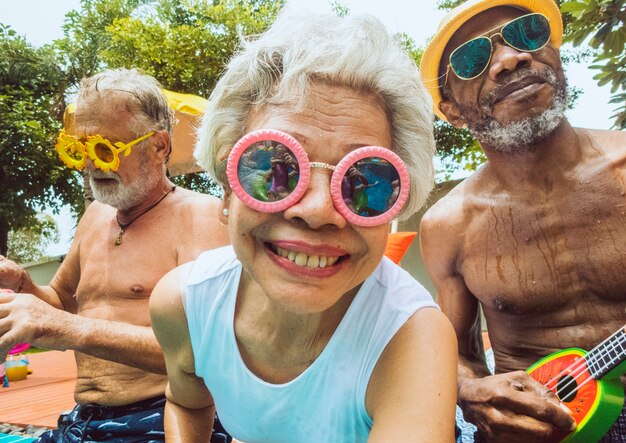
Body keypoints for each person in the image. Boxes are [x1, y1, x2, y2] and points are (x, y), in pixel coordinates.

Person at [149, 11, 458, 443]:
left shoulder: (409, 337)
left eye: (365, 182)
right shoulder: (185, 303)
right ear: (225, 192)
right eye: (273, 169)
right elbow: (185, 402)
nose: (317, 211)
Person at [418, 0, 626, 441]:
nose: (511, 58)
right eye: (473, 59)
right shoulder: (449, 225)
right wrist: (470, 388)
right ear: (453, 111)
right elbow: (457, 352)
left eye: (528, 33)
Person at [0, 69, 230, 442]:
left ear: (159, 146)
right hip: (82, 420)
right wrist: (23, 284)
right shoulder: (95, 216)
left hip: (160, 418)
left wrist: (66, 328)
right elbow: (62, 302)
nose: (91, 165)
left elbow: (206, 353)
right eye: (80, 149)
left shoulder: (200, 217)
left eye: (106, 149)